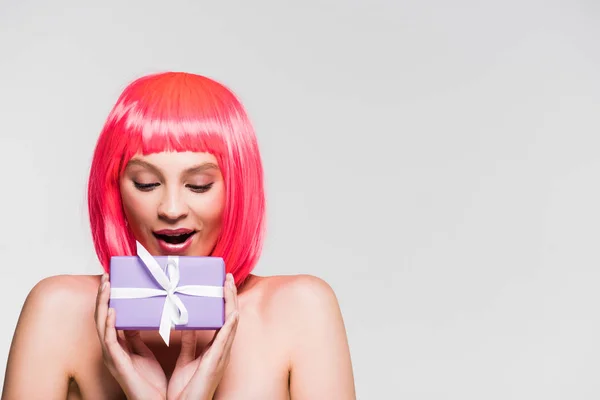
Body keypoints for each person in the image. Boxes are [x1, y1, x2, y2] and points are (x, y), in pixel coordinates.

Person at [1, 72, 356, 399]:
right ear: (115, 190)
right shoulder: (58, 311)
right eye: (147, 183)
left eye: (199, 185)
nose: (171, 208)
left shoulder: (300, 310)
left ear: (237, 188)